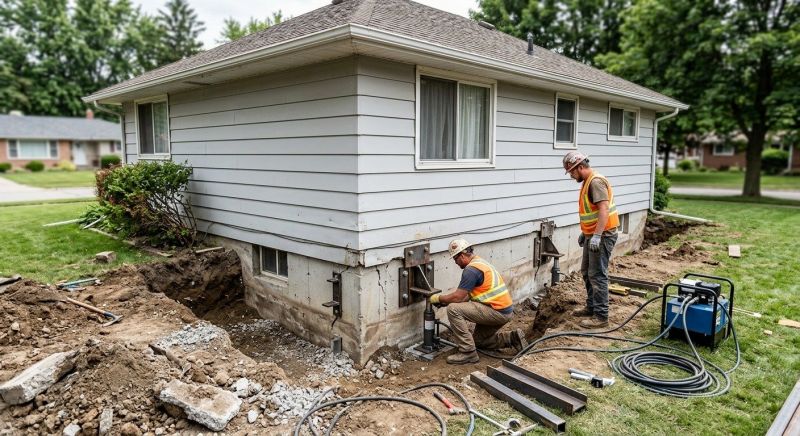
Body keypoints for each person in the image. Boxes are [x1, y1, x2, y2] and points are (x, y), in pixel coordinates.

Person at [429, 239, 527, 364]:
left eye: (455, 259)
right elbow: (466, 297)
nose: (455, 263)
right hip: (503, 310)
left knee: (453, 309)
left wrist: (438, 298)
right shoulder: (480, 263)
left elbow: (458, 298)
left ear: (462, 255)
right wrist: (445, 301)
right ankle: (512, 338)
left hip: (496, 312)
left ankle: (467, 353)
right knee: (478, 341)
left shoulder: (471, 270)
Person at [563, 151, 619, 329]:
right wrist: (586, 232)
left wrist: (596, 235)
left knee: (597, 274)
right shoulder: (588, 182)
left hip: (603, 235)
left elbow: (603, 210)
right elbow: (592, 211)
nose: (572, 176)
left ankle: (601, 317)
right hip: (593, 234)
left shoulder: (595, 182)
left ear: (580, 167)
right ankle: (592, 306)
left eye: (572, 172)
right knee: (586, 271)